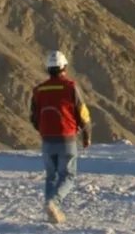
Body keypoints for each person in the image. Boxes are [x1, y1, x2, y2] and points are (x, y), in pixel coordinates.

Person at [30, 50, 92, 224]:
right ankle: (53, 203)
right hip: (67, 138)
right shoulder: (71, 87)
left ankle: (51, 211)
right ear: (64, 67)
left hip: (47, 139)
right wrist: (87, 134)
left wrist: (43, 130)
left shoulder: (39, 89)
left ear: (48, 69)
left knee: (52, 176)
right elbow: (82, 113)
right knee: (68, 175)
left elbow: (34, 117)